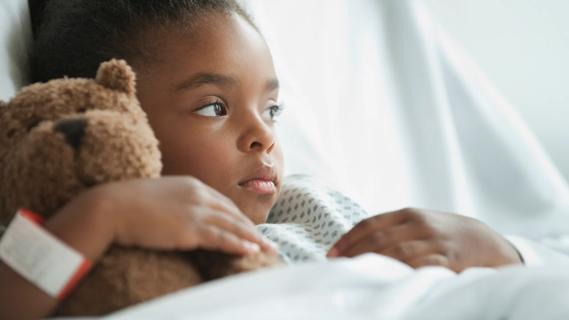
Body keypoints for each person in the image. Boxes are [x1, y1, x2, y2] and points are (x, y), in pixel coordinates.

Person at [0, 1, 523, 318]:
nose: (262, 136)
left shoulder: (308, 203)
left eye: (272, 109)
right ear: (114, 112)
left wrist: (496, 251)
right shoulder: (77, 229)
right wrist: (101, 216)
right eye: (214, 107)